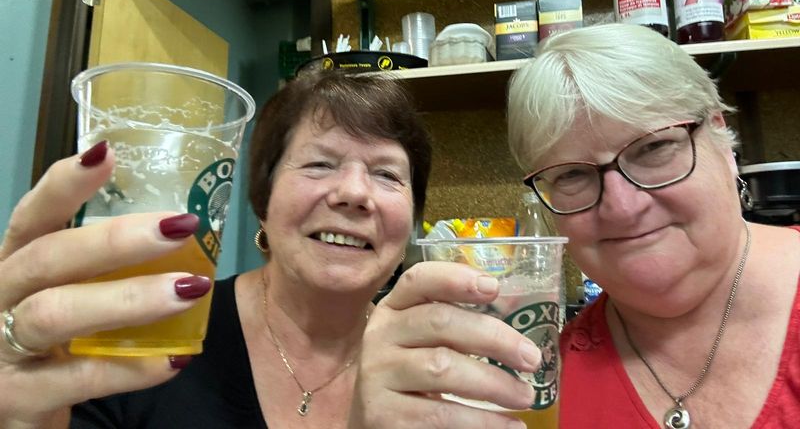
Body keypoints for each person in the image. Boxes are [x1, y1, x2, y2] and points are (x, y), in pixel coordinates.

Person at [0, 69, 539, 429]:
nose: (354, 193)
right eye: (320, 163)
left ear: (412, 224)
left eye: (387, 174)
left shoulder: (443, 373)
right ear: (263, 201)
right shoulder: (144, 336)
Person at [348, 23, 799, 429]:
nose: (622, 207)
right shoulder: (537, 382)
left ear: (722, 142)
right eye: (572, 175)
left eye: (654, 148)